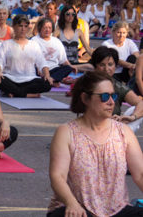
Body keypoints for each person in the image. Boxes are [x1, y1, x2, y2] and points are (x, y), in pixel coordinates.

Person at [48, 70, 143, 217]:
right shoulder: (66, 132)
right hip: (79, 210)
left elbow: (140, 174)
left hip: (117, 210)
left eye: (113, 96)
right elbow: (57, 176)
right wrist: (72, 203)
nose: (111, 102)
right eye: (104, 97)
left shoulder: (124, 132)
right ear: (85, 98)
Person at [0, 15, 52, 97]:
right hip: (11, 78)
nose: (23, 29)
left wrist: (47, 75)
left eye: (25, 26)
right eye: (20, 26)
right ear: (14, 27)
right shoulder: (6, 44)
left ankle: (15, 93)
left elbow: (42, 63)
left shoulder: (34, 44)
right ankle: (29, 95)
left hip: (30, 79)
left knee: (47, 84)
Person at [90, 46, 143, 132]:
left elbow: (140, 103)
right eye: (102, 65)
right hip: (92, 128)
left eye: (110, 64)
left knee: (135, 110)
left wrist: (132, 117)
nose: (106, 69)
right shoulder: (88, 84)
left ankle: (124, 133)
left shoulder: (118, 86)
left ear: (115, 66)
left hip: (114, 127)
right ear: (95, 66)